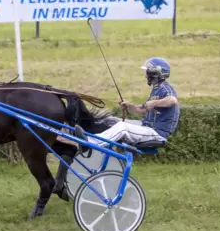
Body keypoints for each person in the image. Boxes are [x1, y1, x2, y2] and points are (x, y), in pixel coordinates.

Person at [52, 57, 180, 201]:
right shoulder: (156, 90)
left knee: (122, 127)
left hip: (156, 133)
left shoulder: (165, 88)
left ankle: (91, 143)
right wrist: (129, 105)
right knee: (114, 121)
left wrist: (155, 102)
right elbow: (141, 111)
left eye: (148, 72)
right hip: (147, 126)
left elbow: (172, 101)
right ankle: (92, 138)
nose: (146, 75)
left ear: (157, 74)